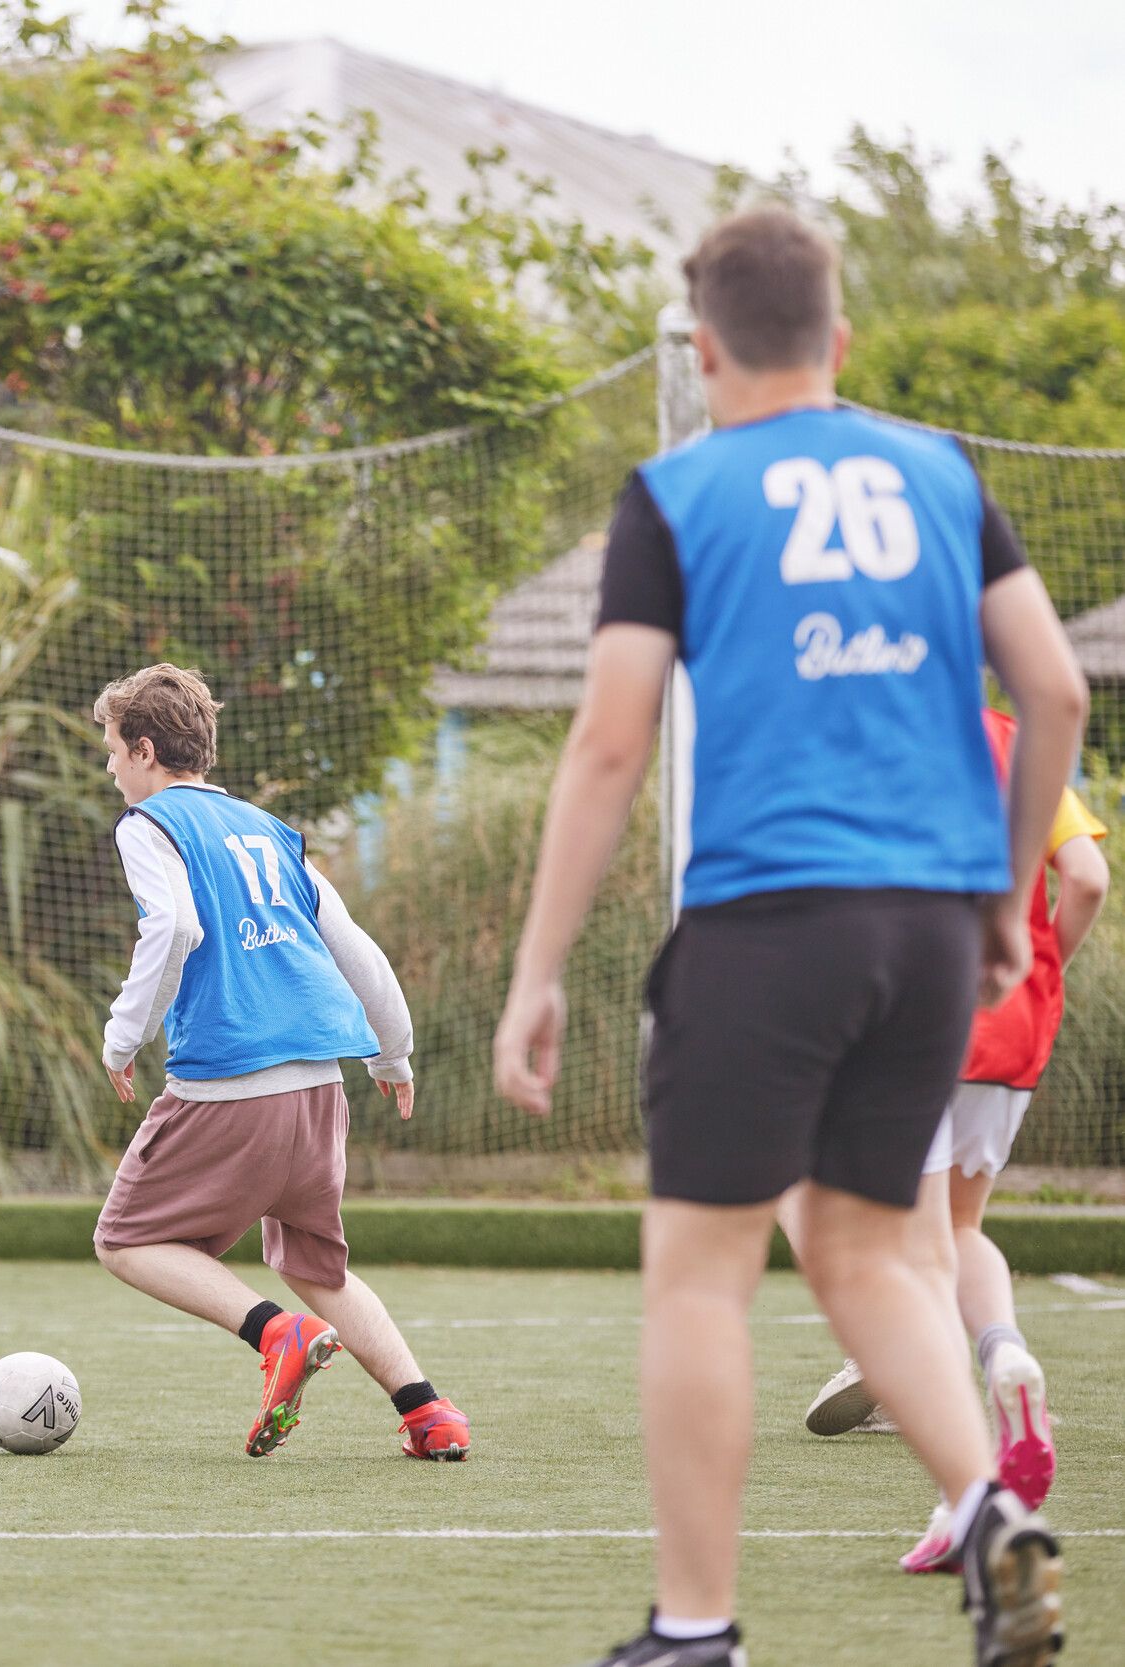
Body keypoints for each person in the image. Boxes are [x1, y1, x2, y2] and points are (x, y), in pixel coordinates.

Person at [493, 208, 1080, 1667]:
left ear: (701, 353)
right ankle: (986, 1511)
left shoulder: (678, 488)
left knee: (698, 1270)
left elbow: (607, 743)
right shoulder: (940, 473)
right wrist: (1003, 901)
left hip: (767, 921)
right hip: (929, 933)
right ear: (840, 341)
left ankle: (693, 1627)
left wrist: (536, 966)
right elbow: (1055, 696)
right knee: (866, 1246)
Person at [88, 664, 470, 1461]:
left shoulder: (147, 822)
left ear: (147, 750)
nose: (111, 766)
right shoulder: (268, 829)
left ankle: (276, 1334)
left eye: (113, 750)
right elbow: (355, 948)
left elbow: (173, 930)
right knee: (314, 1261)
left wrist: (121, 1039)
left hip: (230, 1082)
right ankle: (428, 1411)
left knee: (124, 1239)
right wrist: (393, 1053)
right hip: (320, 1086)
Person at [795, 706, 1107, 1573]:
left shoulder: (866, 735)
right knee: (960, 1232)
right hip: (1013, 1030)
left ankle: (963, 1495)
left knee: (915, 1251)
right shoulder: (1017, 740)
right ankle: (1003, 1348)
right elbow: (1085, 877)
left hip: (908, 1023)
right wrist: (1039, 978)